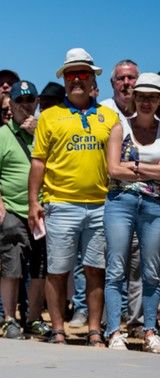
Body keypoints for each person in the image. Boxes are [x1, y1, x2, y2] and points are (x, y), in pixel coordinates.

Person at [27, 48, 120, 346]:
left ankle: (94, 331)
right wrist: (33, 202)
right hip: (60, 203)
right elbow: (38, 162)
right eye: (71, 74)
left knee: (95, 271)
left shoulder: (109, 116)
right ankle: (58, 330)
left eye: (82, 74)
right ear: (65, 80)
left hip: (100, 205)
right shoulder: (50, 117)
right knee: (57, 271)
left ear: (94, 80)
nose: (77, 79)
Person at [0, 81, 50, 340]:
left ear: (36, 102)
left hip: (42, 212)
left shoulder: (45, 132)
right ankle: (10, 319)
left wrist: (39, 131)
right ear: (11, 105)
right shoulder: (1, 137)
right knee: (11, 268)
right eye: (19, 101)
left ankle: (33, 318)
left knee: (39, 269)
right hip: (13, 211)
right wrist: (2, 214)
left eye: (29, 100)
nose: (25, 106)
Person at [103, 72, 160, 353]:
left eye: (152, 97)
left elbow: (124, 167)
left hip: (154, 205)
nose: (146, 102)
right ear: (134, 98)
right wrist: (154, 171)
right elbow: (112, 169)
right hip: (120, 201)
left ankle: (150, 330)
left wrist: (135, 167)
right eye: (142, 96)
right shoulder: (119, 127)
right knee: (116, 268)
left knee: (152, 271)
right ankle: (114, 330)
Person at [100, 59, 143, 338]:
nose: (126, 83)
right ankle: (110, 324)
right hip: (110, 197)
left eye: (131, 78)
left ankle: (138, 323)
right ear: (113, 83)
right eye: (121, 79)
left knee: (141, 265)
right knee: (113, 265)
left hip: (146, 199)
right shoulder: (103, 111)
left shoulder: (150, 110)